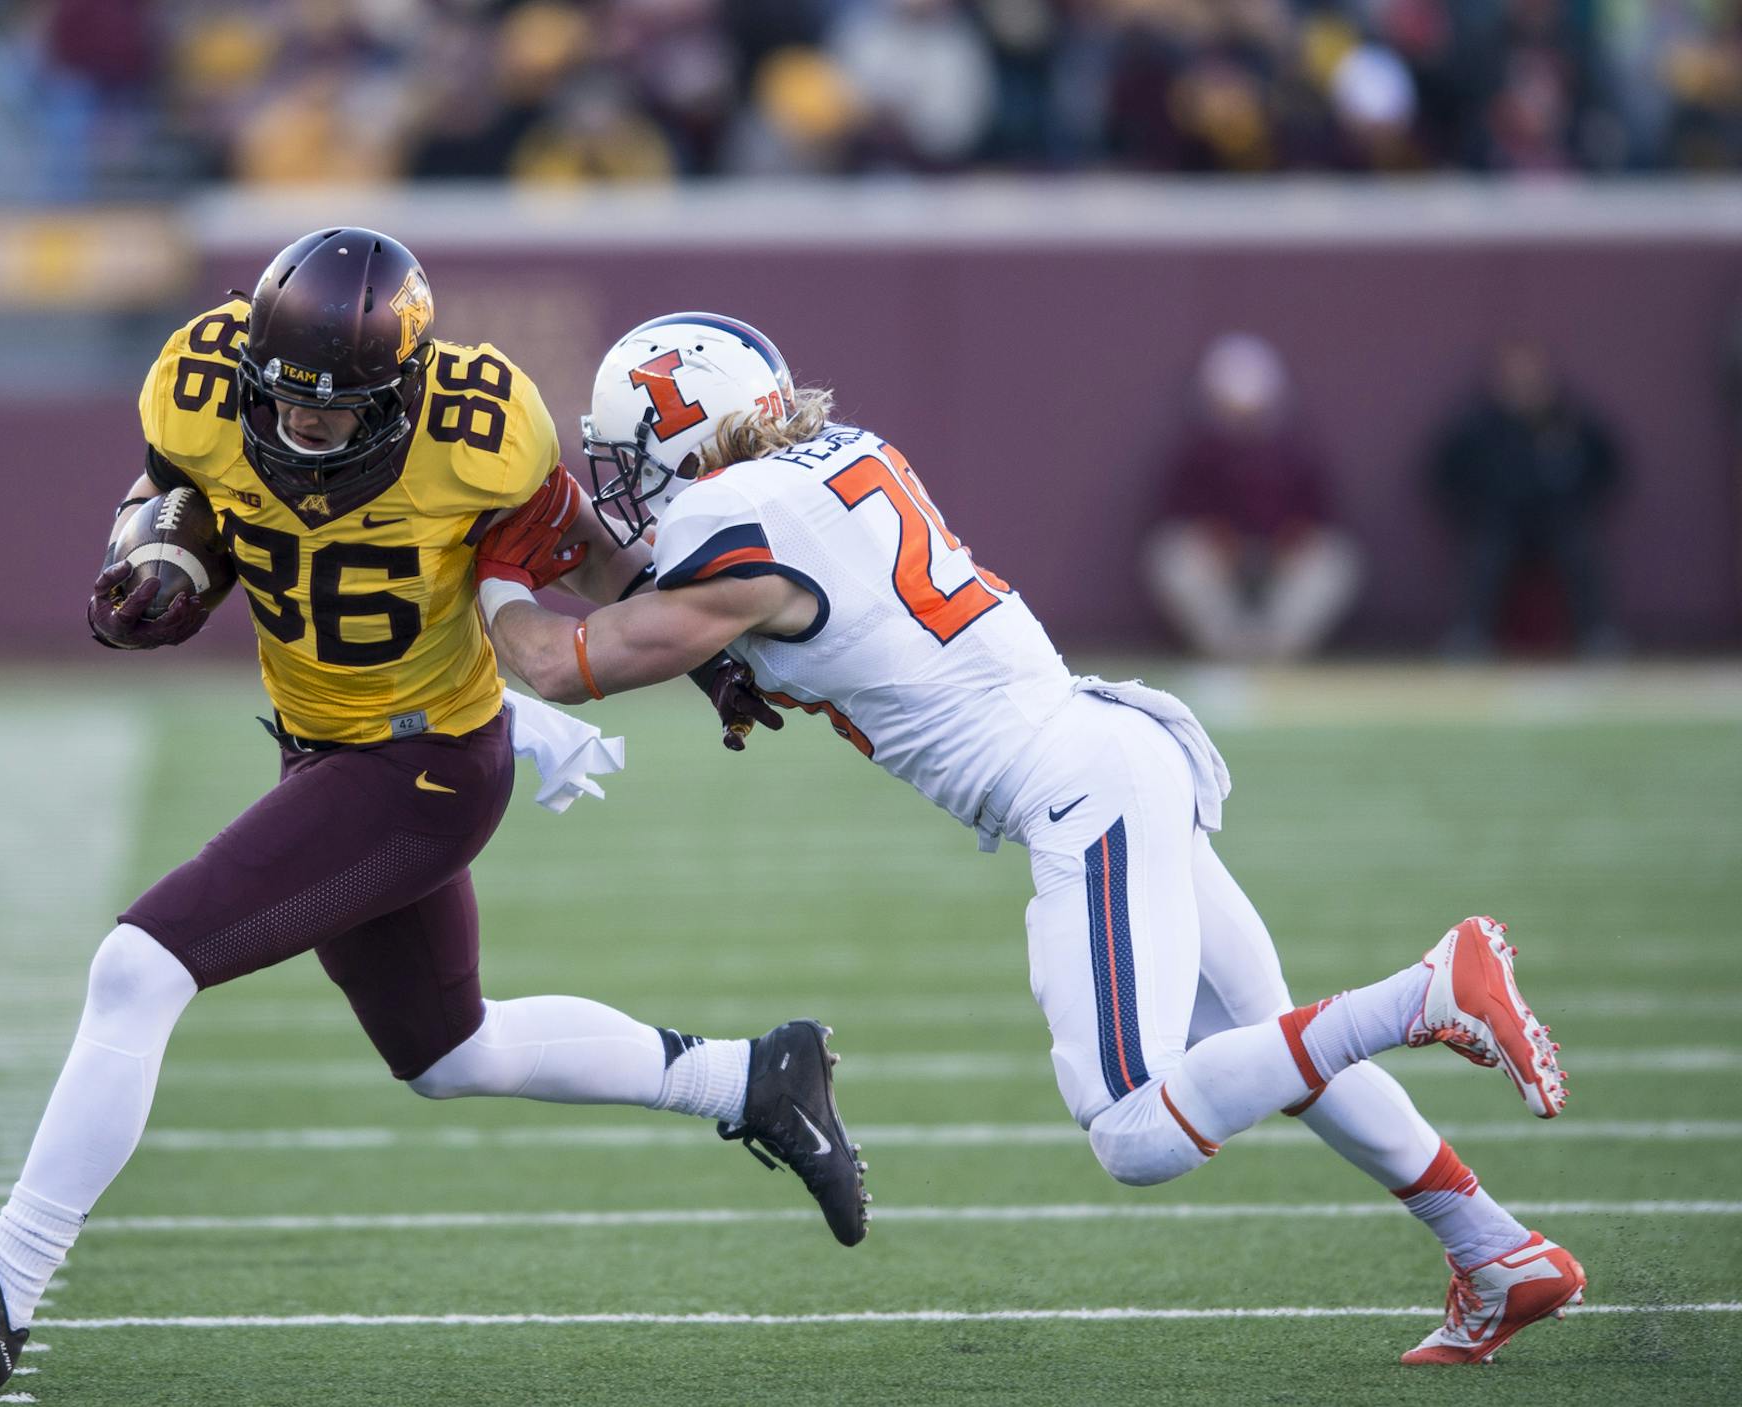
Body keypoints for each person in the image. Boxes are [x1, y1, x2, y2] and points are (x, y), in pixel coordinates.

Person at [0, 233, 867, 1392]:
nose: (304, 426)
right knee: (451, 1053)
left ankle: (2, 1288)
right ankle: (753, 1079)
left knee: (138, 968)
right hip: (324, 750)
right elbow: (172, 496)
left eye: (334, 409)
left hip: (423, 769)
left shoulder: (481, 430)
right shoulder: (198, 382)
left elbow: (584, 552)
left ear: (404, 387)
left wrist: (710, 656)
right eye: (285, 399)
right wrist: (158, 560)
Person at [477, 311, 1584, 1367]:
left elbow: (559, 663)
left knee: (1136, 1130)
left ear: (680, 437)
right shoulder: (835, 457)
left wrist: (487, 572)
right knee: (1272, 1045)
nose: (625, 481)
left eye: (630, 454)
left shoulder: (729, 524)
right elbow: (696, 599)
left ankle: (1423, 993)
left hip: (1076, 792)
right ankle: (1496, 1250)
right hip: (1108, 743)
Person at [1141, 332, 1362, 663]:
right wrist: (1215, 542)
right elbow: (1180, 517)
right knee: (1171, 556)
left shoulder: (1296, 453)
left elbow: (1317, 520)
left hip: (1281, 562)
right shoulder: (1196, 454)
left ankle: (1277, 648)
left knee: (1335, 561)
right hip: (1220, 564)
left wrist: (1289, 544)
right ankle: (1228, 648)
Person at [1429, 340, 1625, 657]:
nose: (1524, 382)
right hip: (1500, 521)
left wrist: (1581, 501)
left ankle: (1596, 635)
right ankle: (1471, 636)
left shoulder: (1568, 420)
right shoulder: (1479, 425)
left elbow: (1607, 463)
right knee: (1486, 552)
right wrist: (1471, 509)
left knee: (1579, 547)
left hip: (1555, 519)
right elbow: (1445, 472)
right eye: (1515, 374)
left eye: (1531, 374)